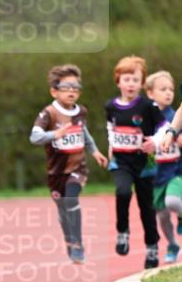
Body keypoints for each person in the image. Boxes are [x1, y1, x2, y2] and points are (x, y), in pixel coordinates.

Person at [29, 64, 107, 263]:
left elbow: (84, 132)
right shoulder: (48, 113)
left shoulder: (81, 112)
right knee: (63, 208)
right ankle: (70, 240)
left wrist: (95, 151)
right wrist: (55, 134)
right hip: (56, 172)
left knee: (71, 199)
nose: (72, 91)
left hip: (77, 168)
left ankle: (78, 245)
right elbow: (34, 137)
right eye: (66, 87)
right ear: (54, 91)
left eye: (76, 86)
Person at [105, 55, 165, 269]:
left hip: (144, 164)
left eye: (135, 80)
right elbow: (111, 127)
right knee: (122, 192)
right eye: (126, 79)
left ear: (142, 83)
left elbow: (165, 127)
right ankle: (123, 231)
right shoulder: (110, 106)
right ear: (118, 81)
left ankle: (152, 247)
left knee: (146, 207)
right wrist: (111, 147)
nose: (130, 84)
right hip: (121, 161)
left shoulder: (149, 106)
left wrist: (155, 142)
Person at [145, 71, 182, 263]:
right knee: (163, 215)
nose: (168, 93)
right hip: (156, 173)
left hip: (176, 170)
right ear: (150, 93)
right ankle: (172, 244)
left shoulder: (173, 116)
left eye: (171, 89)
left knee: (173, 202)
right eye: (163, 89)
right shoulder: (144, 116)